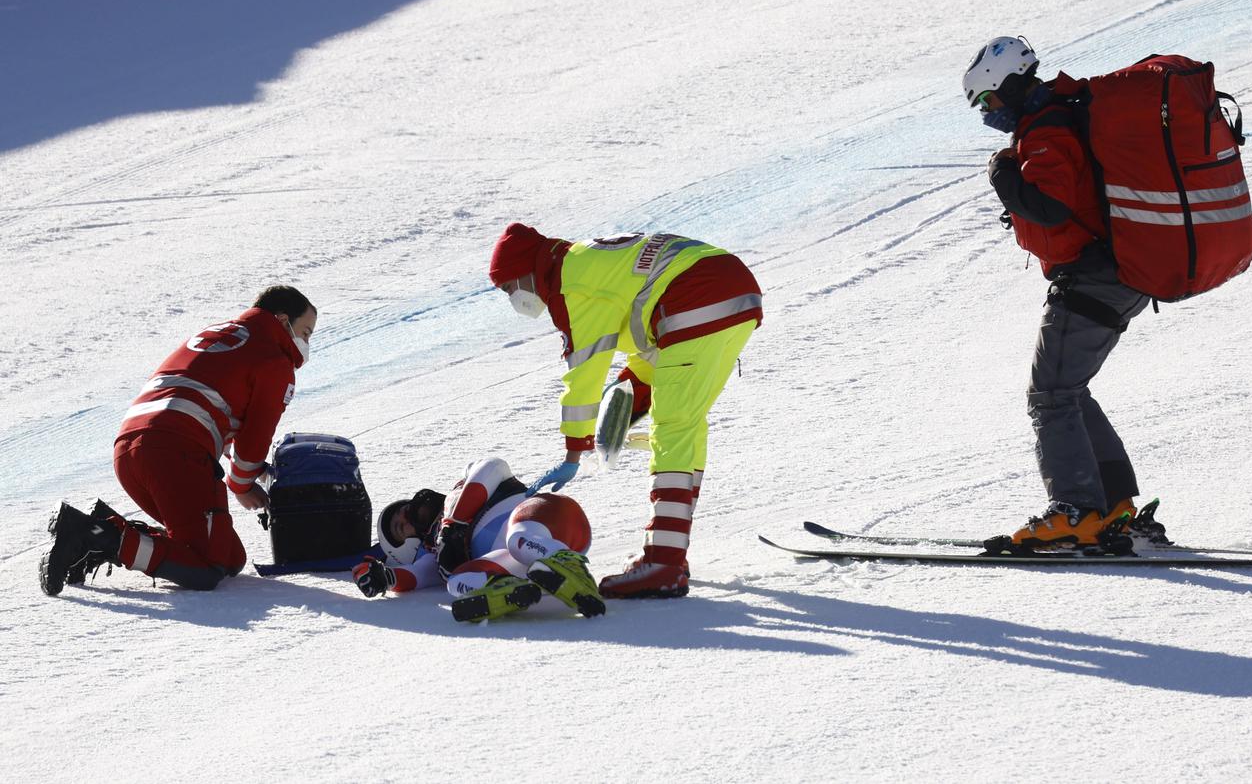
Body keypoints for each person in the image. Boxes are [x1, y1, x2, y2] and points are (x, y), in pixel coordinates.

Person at [487, 224, 763, 597]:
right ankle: (670, 554)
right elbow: (651, 337)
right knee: (685, 425)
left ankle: (663, 563)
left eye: (509, 287)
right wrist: (626, 399)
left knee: (673, 428)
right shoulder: (582, 262)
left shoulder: (570, 285)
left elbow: (584, 370)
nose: (512, 297)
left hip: (696, 298)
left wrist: (575, 448)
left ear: (526, 272)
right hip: (732, 293)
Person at [963, 36, 1158, 548]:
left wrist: (1002, 175)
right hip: (1121, 271)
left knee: (1050, 396)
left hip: (1095, 275)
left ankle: (1076, 511)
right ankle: (1112, 506)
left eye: (988, 101)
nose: (987, 114)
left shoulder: (1047, 131)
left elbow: (1049, 207)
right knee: (1067, 390)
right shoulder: (1061, 116)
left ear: (1007, 87)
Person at [39, 285, 316, 595]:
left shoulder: (218, 333)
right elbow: (255, 440)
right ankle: (97, 537)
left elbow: (208, 406)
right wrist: (242, 485)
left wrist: (244, 472)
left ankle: (98, 531)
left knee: (229, 557)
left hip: (130, 449)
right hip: (174, 454)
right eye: (305, 332)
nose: (306, 344)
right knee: (207, 567)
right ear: (281, 321)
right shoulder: (274, 360)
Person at [351, 457, 603, 622]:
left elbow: (493, 466)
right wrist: (385, 578)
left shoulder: (459, 492)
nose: (407, 514)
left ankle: (567, 567)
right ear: (406, 548)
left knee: (519, 540)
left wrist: (454, 524)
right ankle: (512, 590)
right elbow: (416, 576)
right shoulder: (436, 555)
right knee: (457, 582)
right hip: (524, 559)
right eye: (399, 527)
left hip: (549, 516)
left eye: (403, 509)